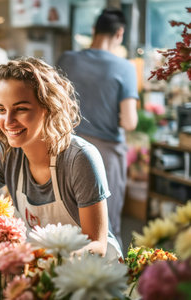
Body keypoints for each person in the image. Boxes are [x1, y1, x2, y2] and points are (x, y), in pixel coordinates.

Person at [0, 57, 122, 258]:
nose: (8, 121)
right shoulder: (6, 154)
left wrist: (51, 265)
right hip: (39, 270)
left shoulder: (80, 159)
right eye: (1, 110)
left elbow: (96, 246)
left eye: (21, 109)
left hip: (89, 273)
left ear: (48, 107)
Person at [57, 8, 139, 246]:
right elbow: (129, 121)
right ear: (119, 33)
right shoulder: (125, 68)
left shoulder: (67, 59)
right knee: (106, 226)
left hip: (66, 148)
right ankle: (110, 280)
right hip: (106, 155)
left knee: (68, 218)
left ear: (94, 31)